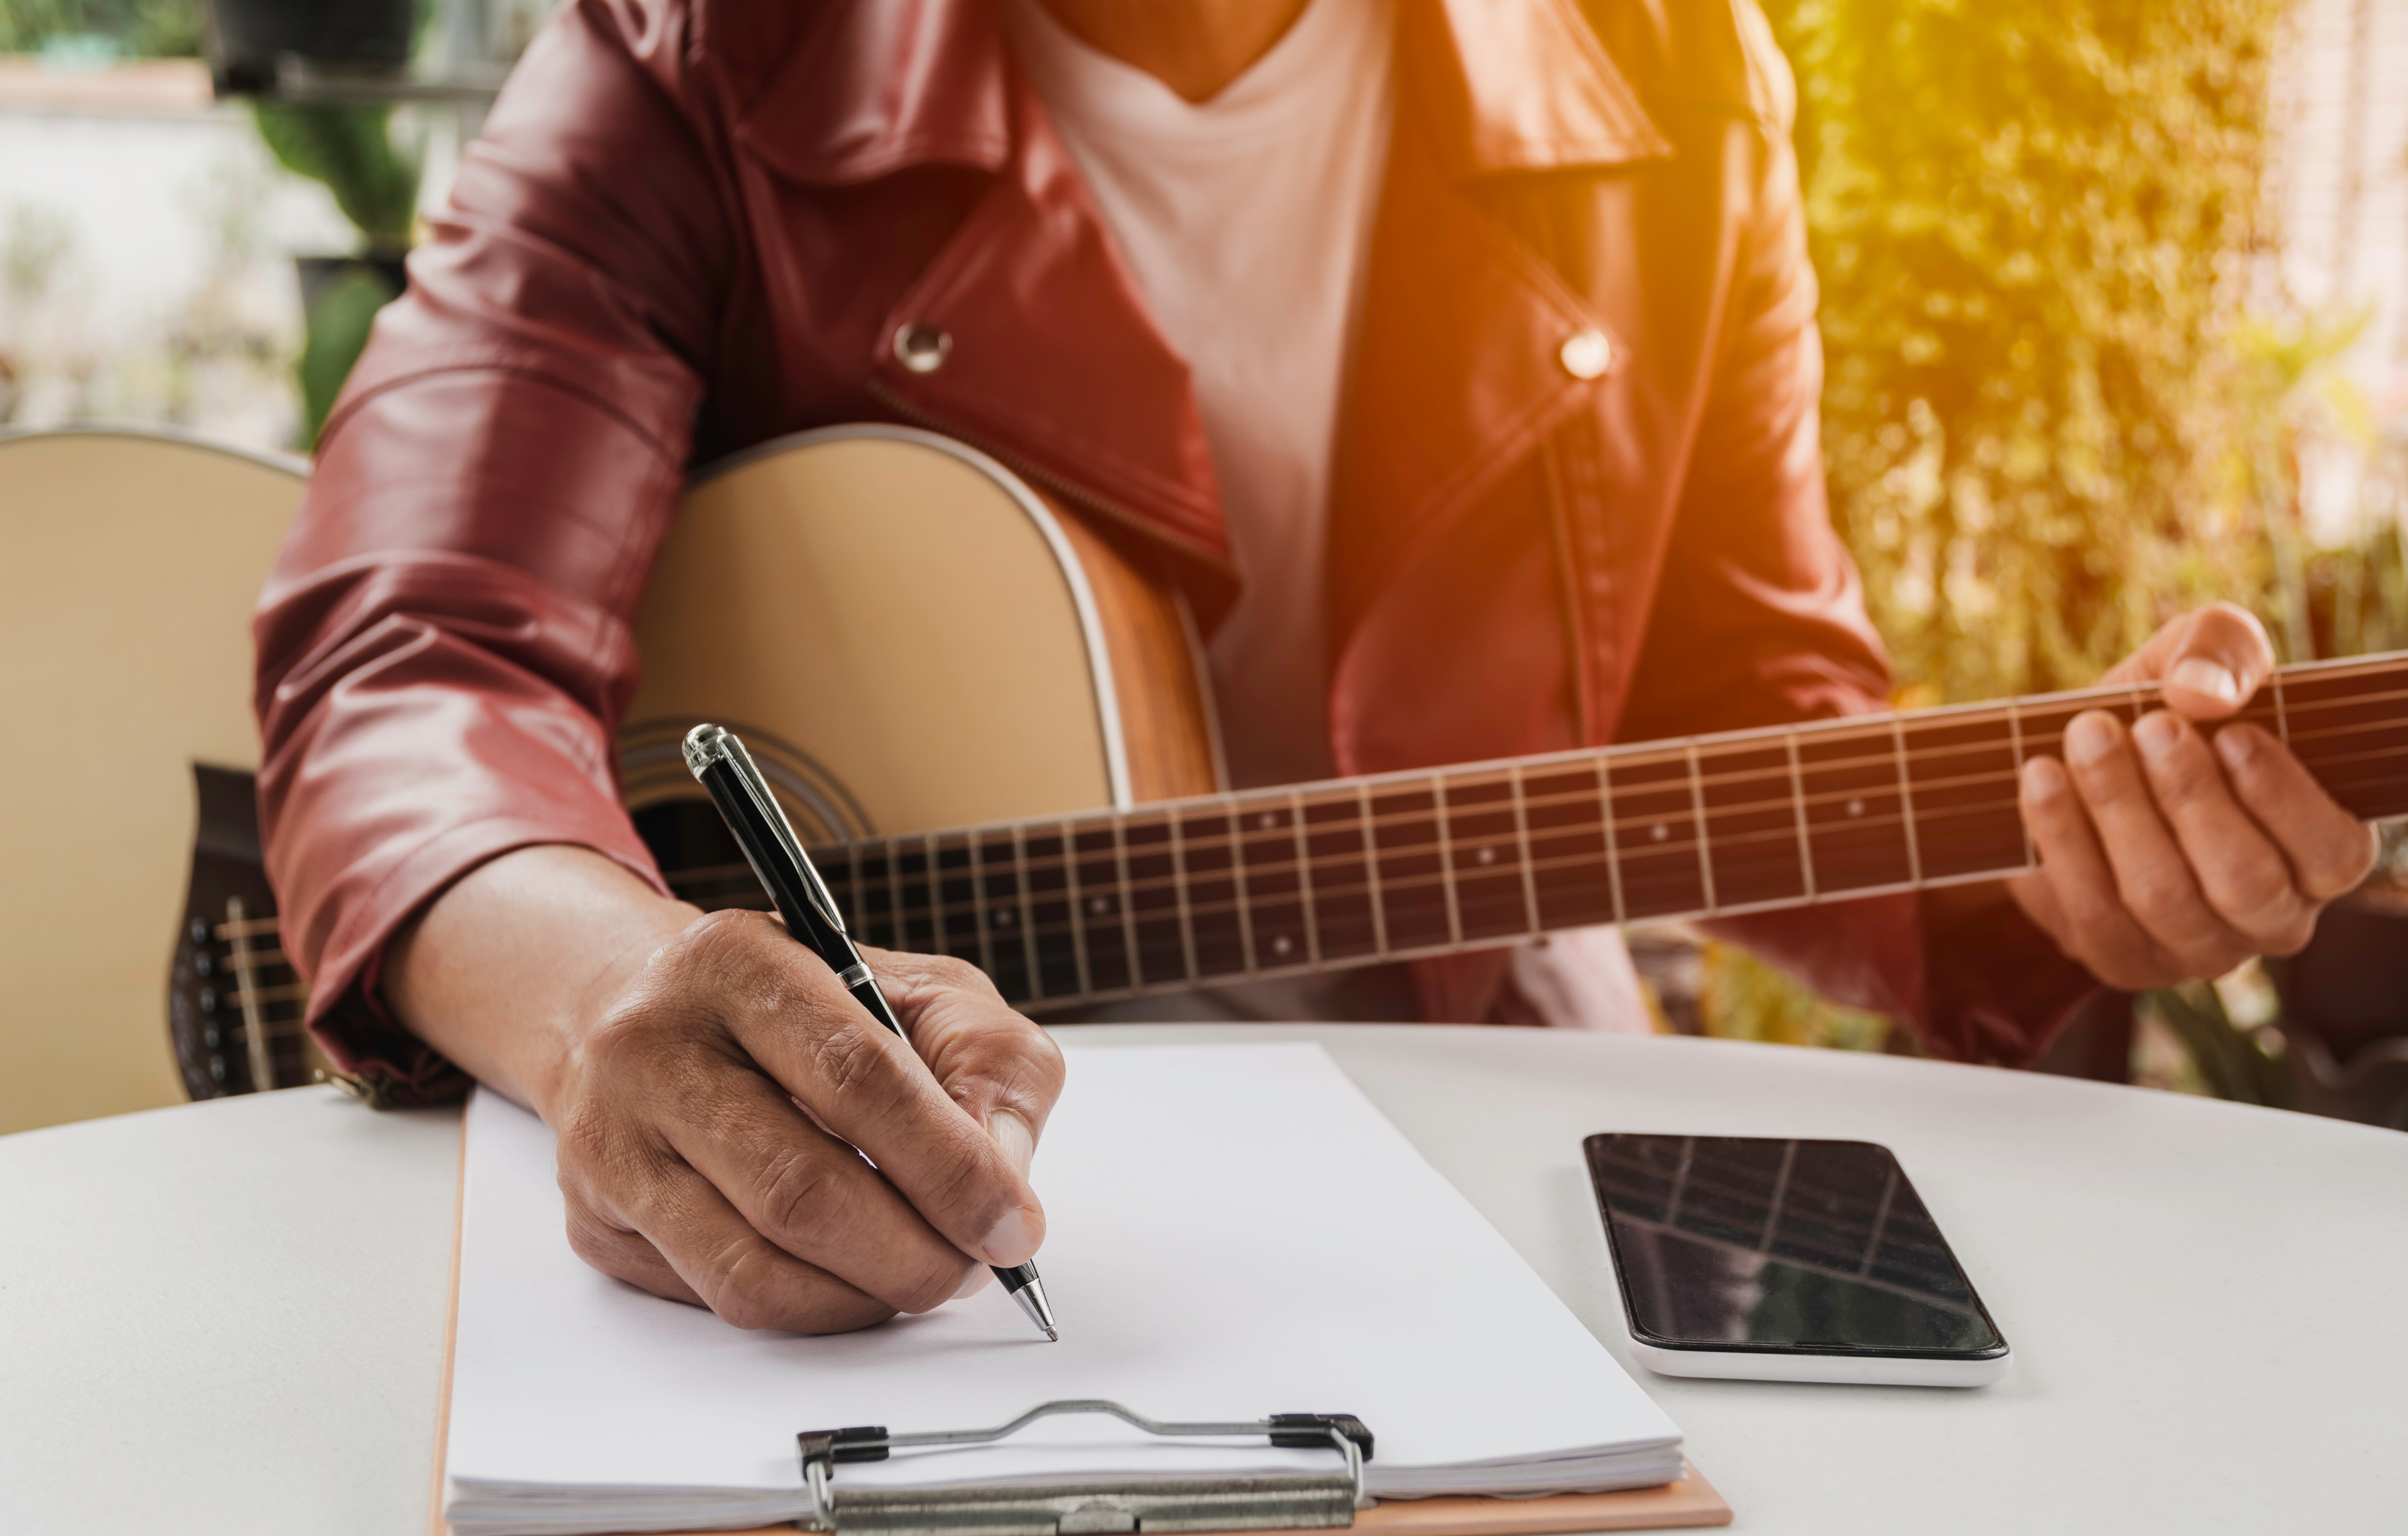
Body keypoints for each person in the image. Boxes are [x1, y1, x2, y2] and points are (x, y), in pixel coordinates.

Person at [253, 0, 2377, 1335]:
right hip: (926, 1224)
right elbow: (415, 655)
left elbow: (1745, 693)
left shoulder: (1679, 62)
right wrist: (608, 985)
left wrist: (2066, 858)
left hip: (1486, 1122)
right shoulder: (699, 45)